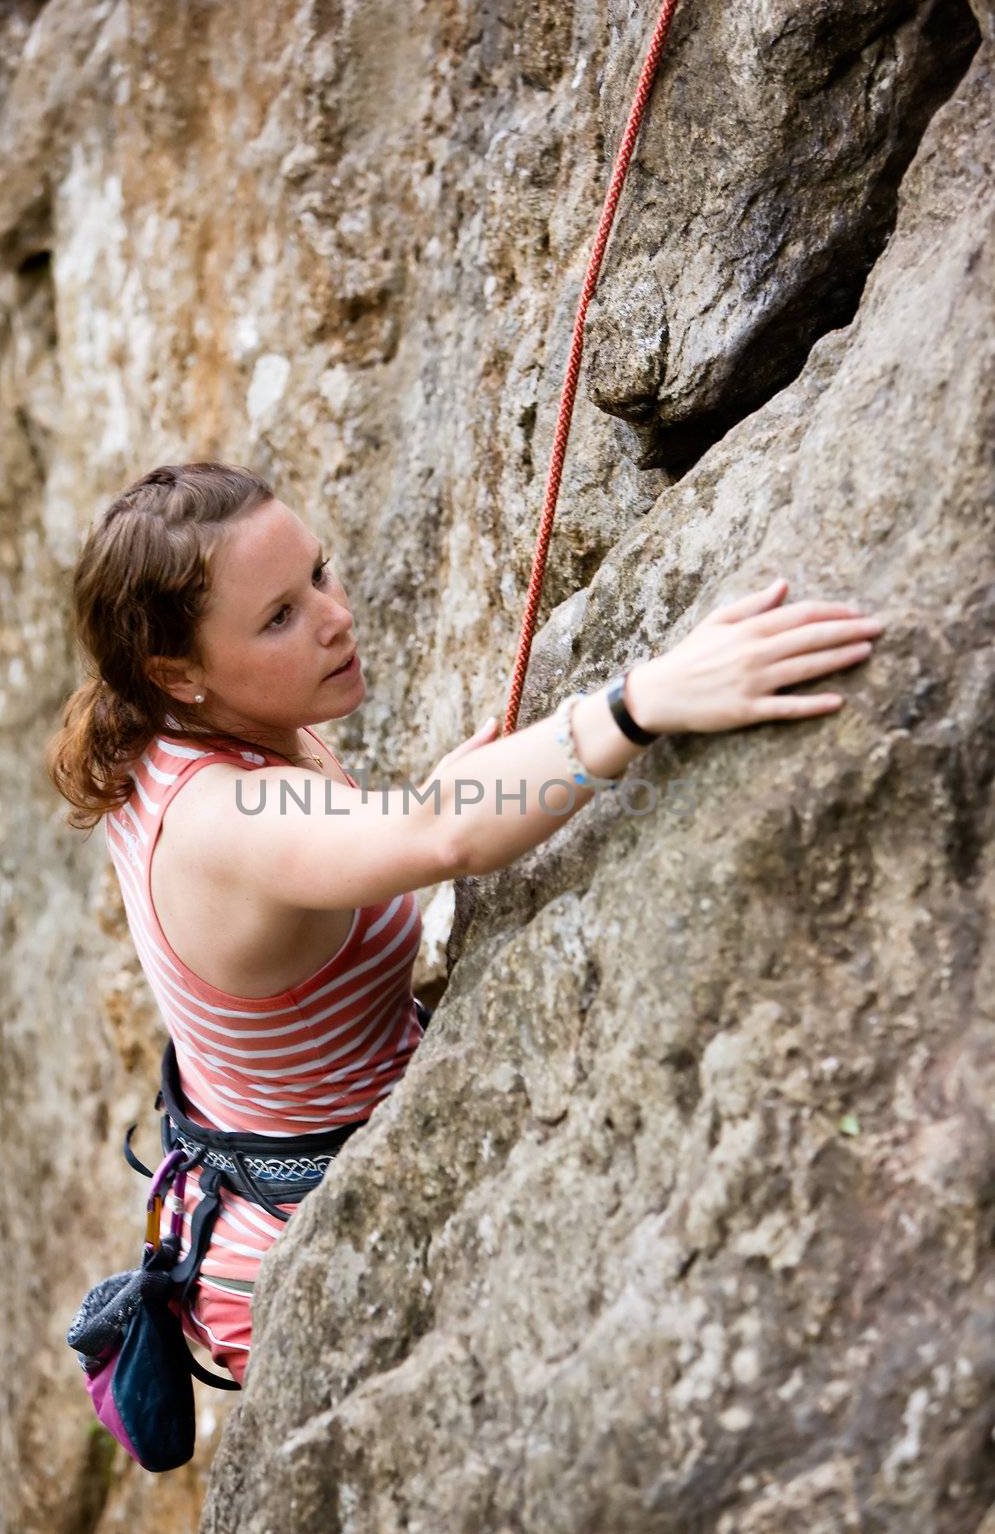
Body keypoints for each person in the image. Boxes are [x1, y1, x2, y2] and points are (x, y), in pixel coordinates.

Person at [46, 459, 886, 1383]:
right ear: (180, 672)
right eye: (279, 617)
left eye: (318, 574)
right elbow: (441, 831)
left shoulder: (166, 727)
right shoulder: (221, 817)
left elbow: (398, 826)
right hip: (306, 1245)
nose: (335, 617)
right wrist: (645, 700)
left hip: (263, 1171)